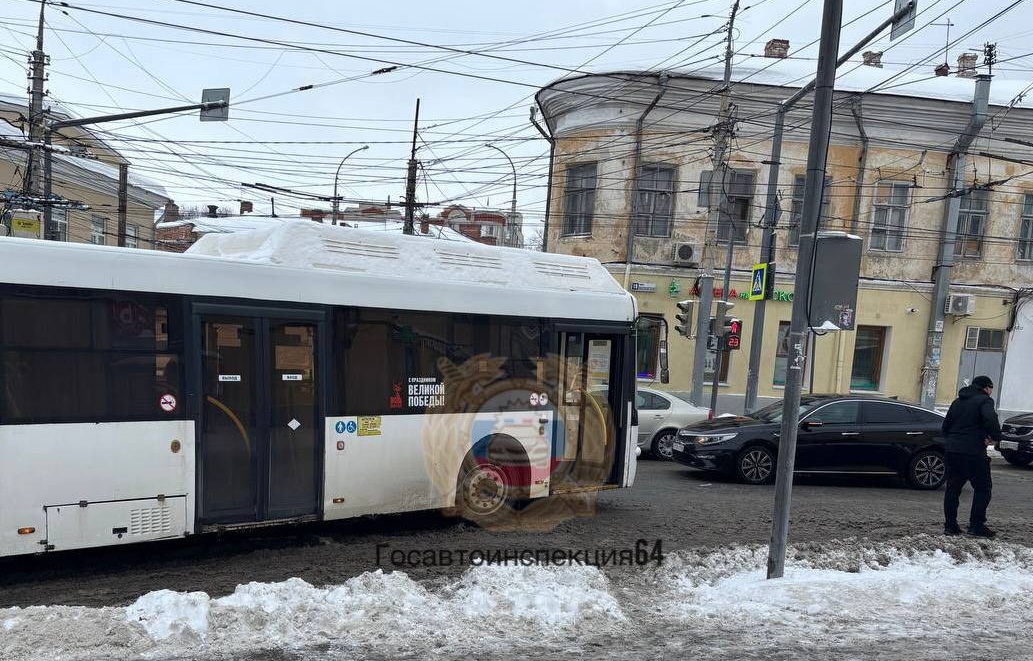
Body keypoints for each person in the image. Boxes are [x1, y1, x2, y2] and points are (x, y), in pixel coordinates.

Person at [941, 375, 1001, 538]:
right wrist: (995, 436)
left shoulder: (957, 402)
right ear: (986, 388)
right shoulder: (985, 400)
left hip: (953, 451)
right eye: (991, 388)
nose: (990, 392)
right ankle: (976, 525)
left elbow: (945, 427)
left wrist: (953, 440)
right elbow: (990, 419)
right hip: (974, 452)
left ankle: (950, 526)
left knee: (953, 489)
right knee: (983, 488)